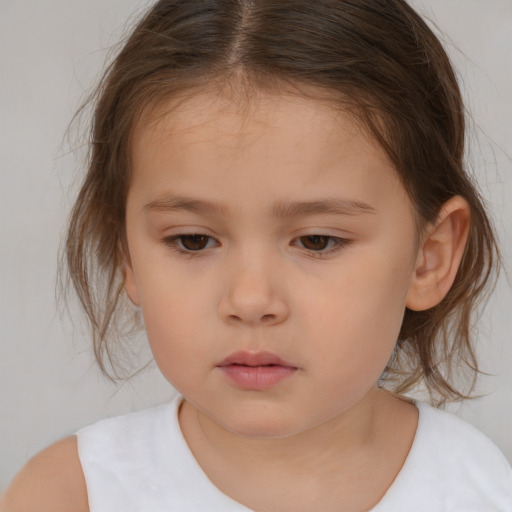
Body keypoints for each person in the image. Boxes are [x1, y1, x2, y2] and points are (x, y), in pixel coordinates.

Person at [3, 0, 512, 510]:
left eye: (317, 241)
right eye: (193, 241)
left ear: (429, 256)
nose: (250, 300)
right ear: (128, 255)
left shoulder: (482, 488)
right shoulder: (70, 495)